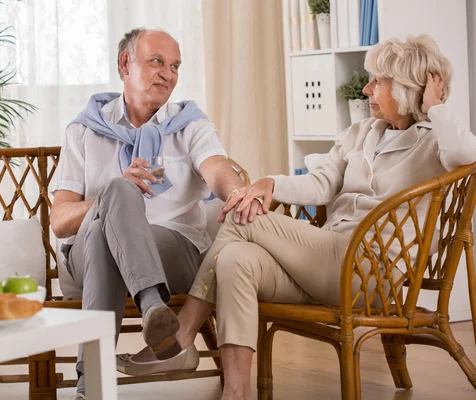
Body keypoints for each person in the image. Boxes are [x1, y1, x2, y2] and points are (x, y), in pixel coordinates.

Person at [121, 35, 476, 400]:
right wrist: (269, 184)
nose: (367, 88)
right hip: (328, 262)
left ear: (405, 87)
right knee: (234, 260)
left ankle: (182, 336)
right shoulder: (361, 133)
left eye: (378, 81)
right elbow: (320, 184)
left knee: (246, 217)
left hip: (371, 273)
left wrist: (433, 106)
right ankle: (237, 391)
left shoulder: (434, 141)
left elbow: (467, 152)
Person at [49, 27, 260, 399]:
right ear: (125, 63)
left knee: (103, 237)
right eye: (157, 61)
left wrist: (237, 191)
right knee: (111, 204)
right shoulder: (84, 130)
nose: (168, 73)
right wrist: (112, 197)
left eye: (176, 66)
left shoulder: (189, 123)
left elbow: (217, 170)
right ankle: (154, 310)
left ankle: (90, 389)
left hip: (172, 251)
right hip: (86, 256)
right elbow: (60, 220)